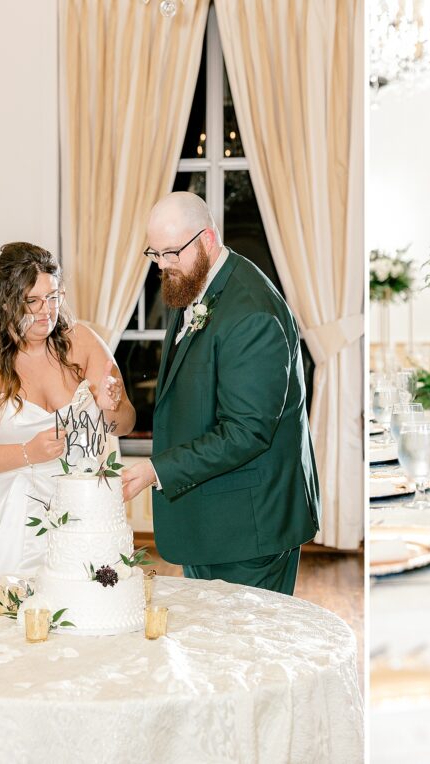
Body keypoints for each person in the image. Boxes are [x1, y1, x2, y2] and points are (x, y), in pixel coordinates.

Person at [122, 192, 320, 595]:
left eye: (171, 252)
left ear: (207, 240)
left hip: (248, 527)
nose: (162, 265)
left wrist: (155, 470)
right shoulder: (192, 282)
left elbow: (246, 431)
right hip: (210, 517)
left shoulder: (252, 315)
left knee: (246, 652)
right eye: (154, 253)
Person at [0, 242, 136, 586]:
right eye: (33, 301)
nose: (46, 311)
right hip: (4, 516)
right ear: (7, 302)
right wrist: (28, 453)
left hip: (80, 510)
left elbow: (122, 425)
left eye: (53, 297)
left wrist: (116, 405)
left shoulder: (81, 342)